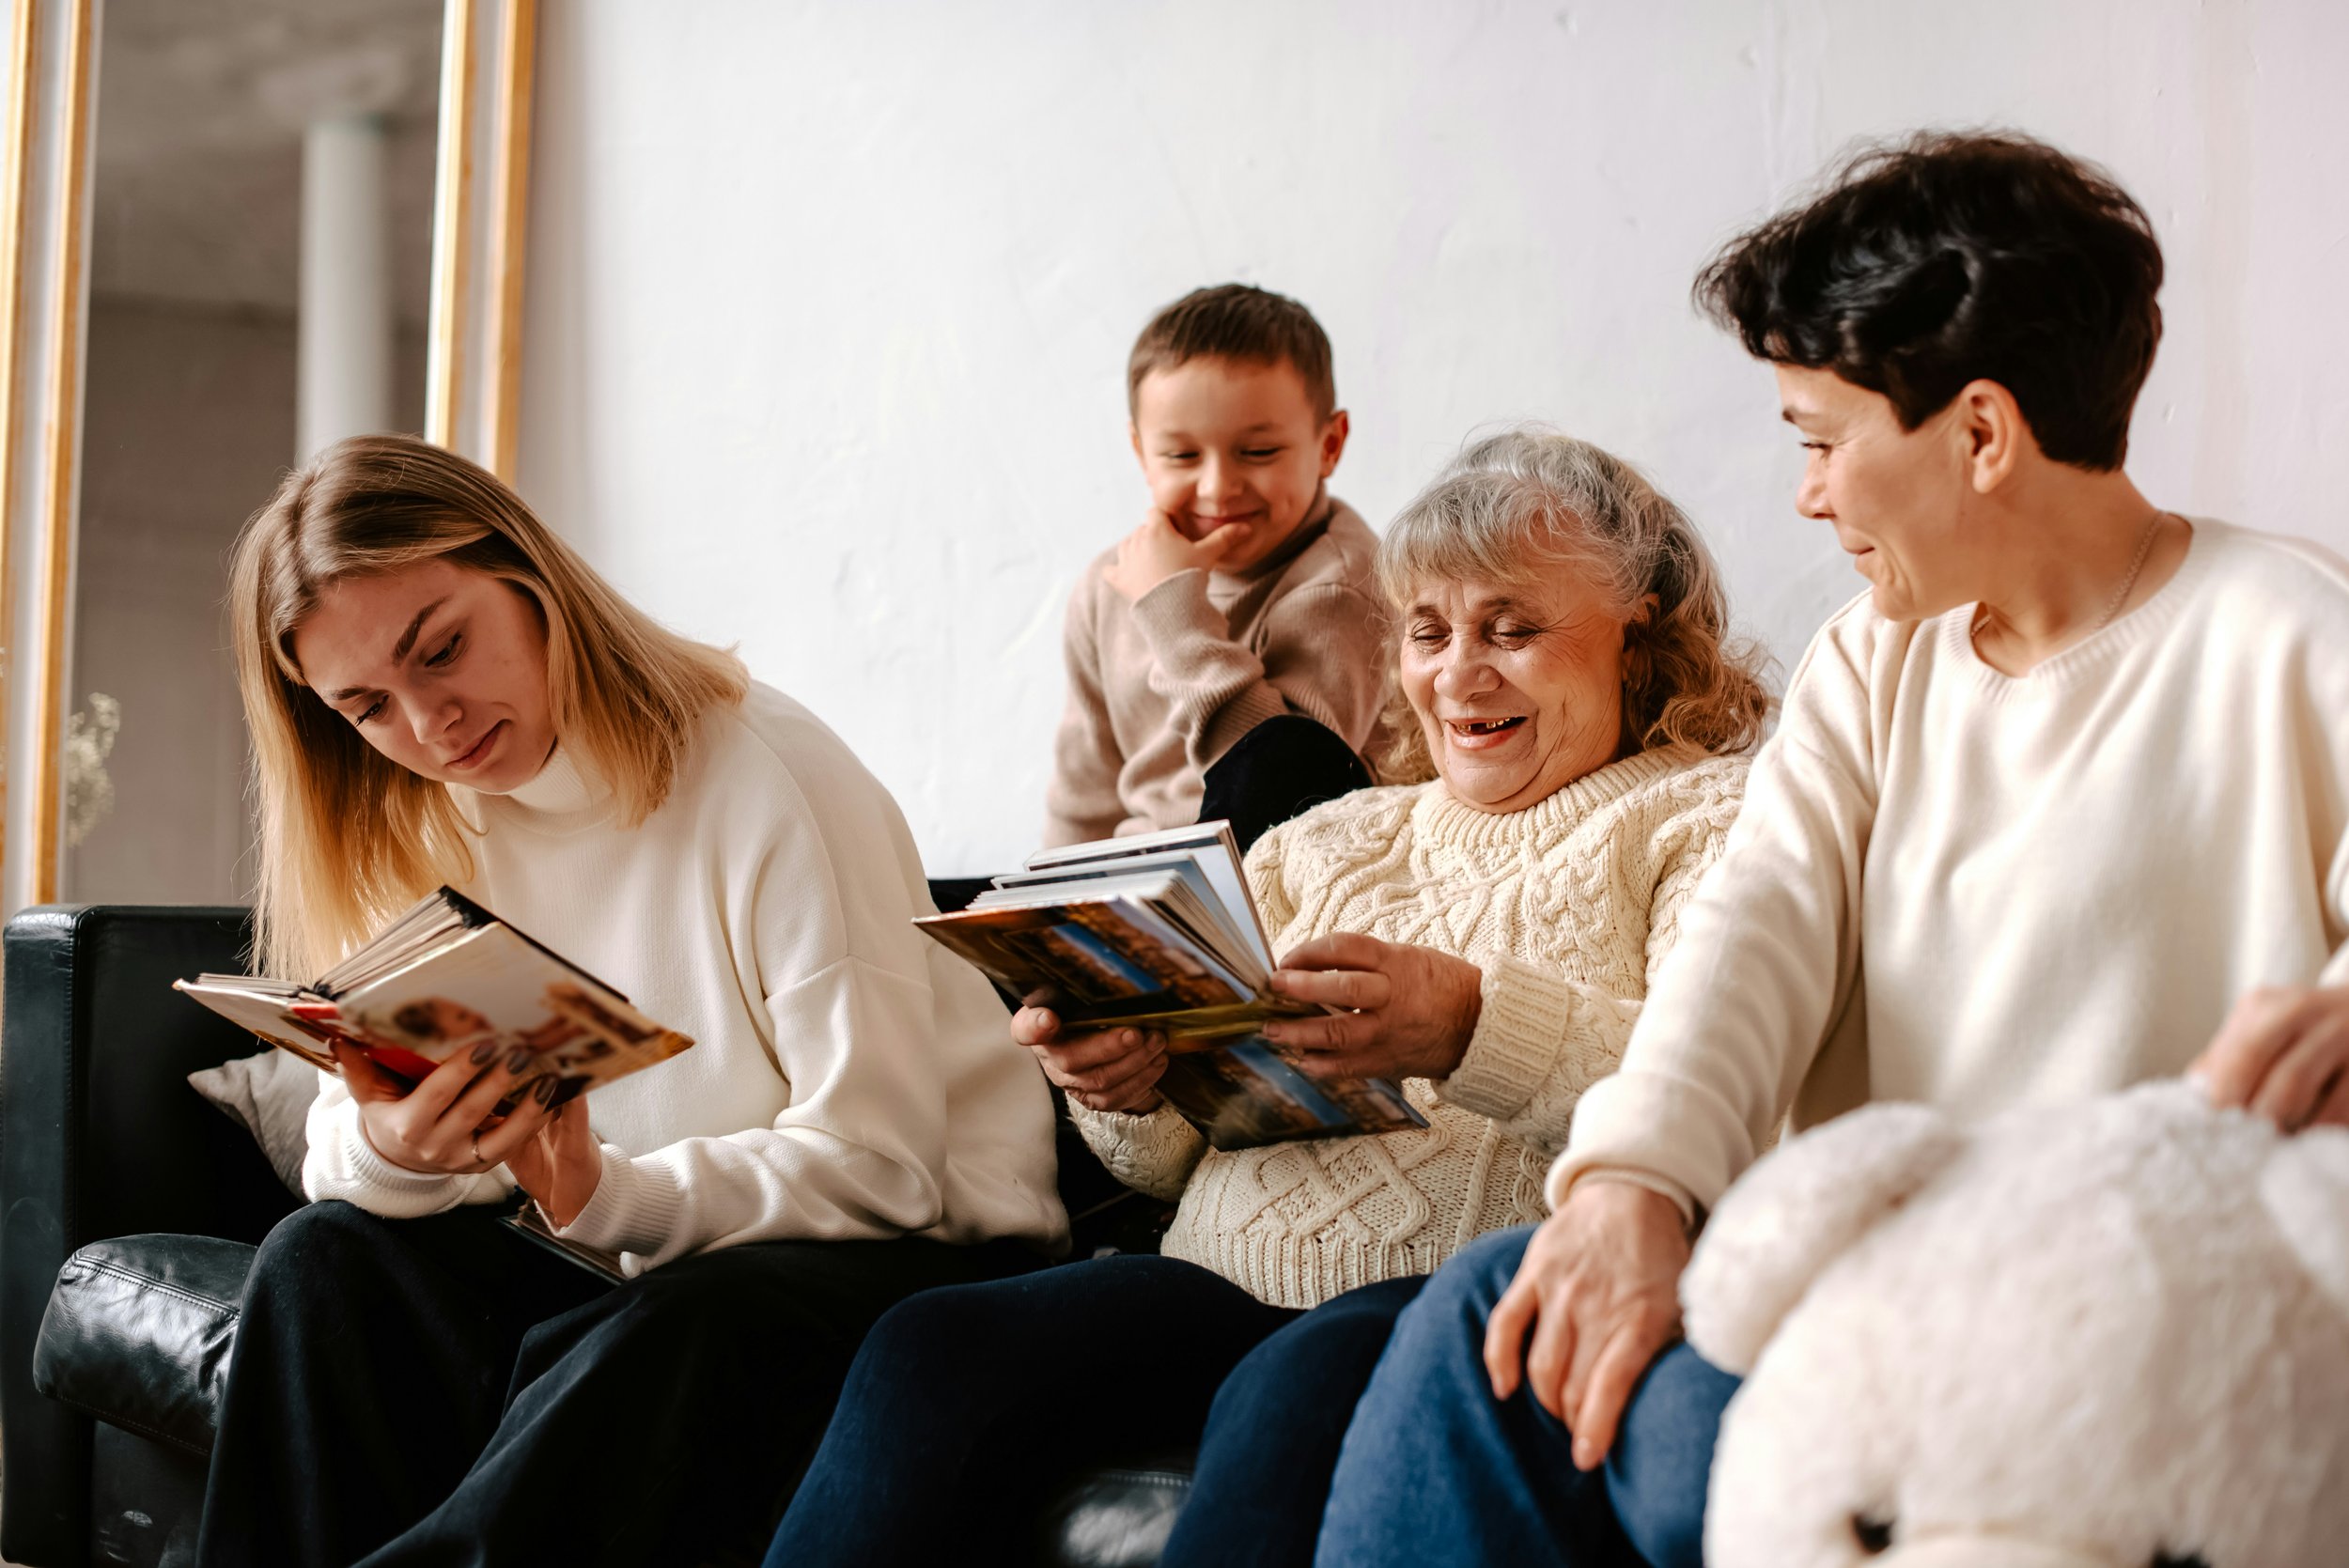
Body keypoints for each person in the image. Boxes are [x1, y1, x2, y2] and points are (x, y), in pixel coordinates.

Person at [1315, 131, 2349, 1568]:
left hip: (2131, 1360)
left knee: (1587, 1409)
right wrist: (1631, 1187)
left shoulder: (2296, 636)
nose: (1805, 495)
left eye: (1820, 439)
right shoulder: (1874, 661)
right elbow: (1757, 932)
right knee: (1505, 1316)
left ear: (1981, 435)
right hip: (1862, 1300)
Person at [763, 427, 1772, 1568]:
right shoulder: (1331, 836)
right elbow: (1158, 1166)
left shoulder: (1709, 818)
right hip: (1205, 1286)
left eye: (1513, 628)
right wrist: (1125, 1086)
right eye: (1429, 633)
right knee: (930, 1344)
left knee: (1297, 1380)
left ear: (1637, 631)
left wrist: (1470, 1024)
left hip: (1446, 1296)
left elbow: (1722, 1081)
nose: (1458, 673)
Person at [194, 435, 1066, 1568]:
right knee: (323, 1259)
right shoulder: (423, 813)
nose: (431, 726)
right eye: (368, 707)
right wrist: (398, 1147)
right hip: (626, 1257)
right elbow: (334, 1153)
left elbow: (884, 1167)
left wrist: (611, 1192)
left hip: (901, 1258)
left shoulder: (773, 778)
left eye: (444, 648)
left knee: (690, 1323)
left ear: (530, 573)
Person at [1042, 282, 1391, 852]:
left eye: (1258, 452)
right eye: (1181, 456)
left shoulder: (1344, 585)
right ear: (1140, 453)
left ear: (1329, 445)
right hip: (1135, 881)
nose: (1217, 487)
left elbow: (1283, 794)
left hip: (1272, 887)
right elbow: (1084, 795)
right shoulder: (1109, 585)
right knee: (916, 897)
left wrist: (1173, 613)